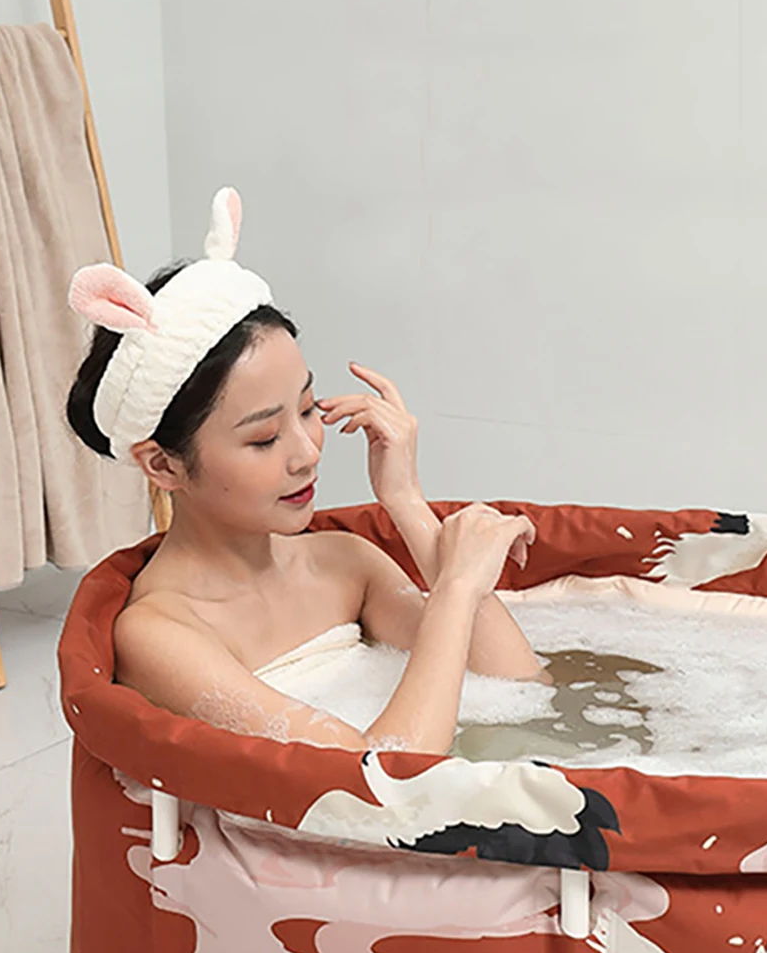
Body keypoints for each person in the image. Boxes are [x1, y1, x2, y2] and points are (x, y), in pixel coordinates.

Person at [65, 187, 543, 755]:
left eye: (309, 409)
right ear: (164, 464)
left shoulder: (343, 563)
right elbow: (377, 780)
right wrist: (457, 587)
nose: (308, 453)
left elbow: (520, 690)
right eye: (264, 438)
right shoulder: (160, 634)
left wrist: (406, 502)